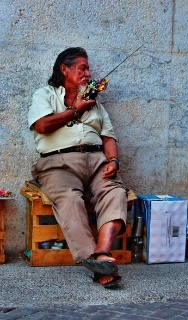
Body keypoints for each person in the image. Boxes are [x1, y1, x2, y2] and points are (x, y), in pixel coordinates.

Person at [28, 47, 128, 287]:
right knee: (69, 200)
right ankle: (94, 260)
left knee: (115, 191)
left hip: (96, 161)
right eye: (82, 68)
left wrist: (113, 161)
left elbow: (108, 138)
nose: (88, 73)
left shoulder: (96, 105)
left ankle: (102, 253)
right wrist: (76, 110)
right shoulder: (45, 94)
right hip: (57, 164)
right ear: (65, 69)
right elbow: (42, 125)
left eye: (88, 68)